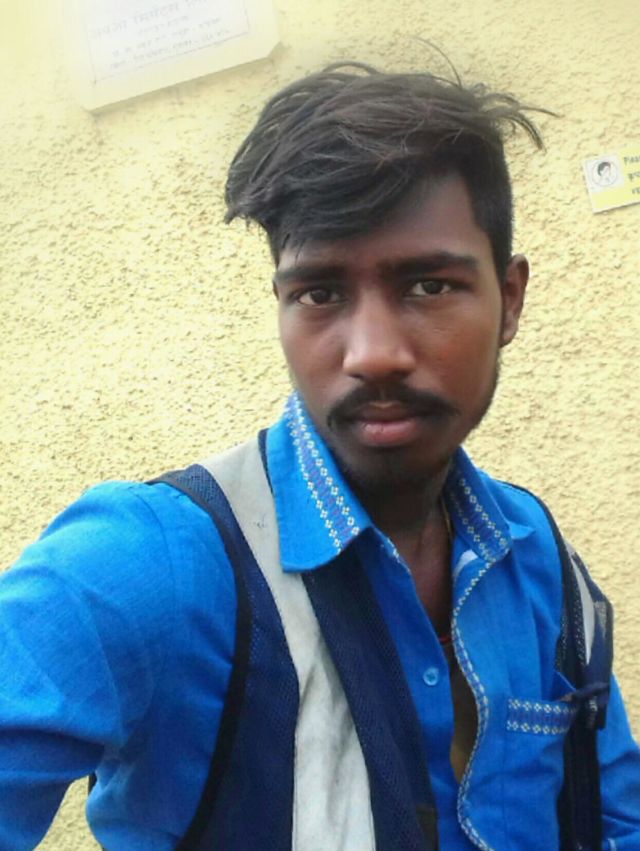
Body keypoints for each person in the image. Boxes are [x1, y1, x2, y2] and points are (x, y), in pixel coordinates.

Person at [1, 63, 639, 851]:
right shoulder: (151, 564)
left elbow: (613, 814)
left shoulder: (537, 556)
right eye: (320, 293)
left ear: (509, 299)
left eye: (429, 285)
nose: (373, 353)